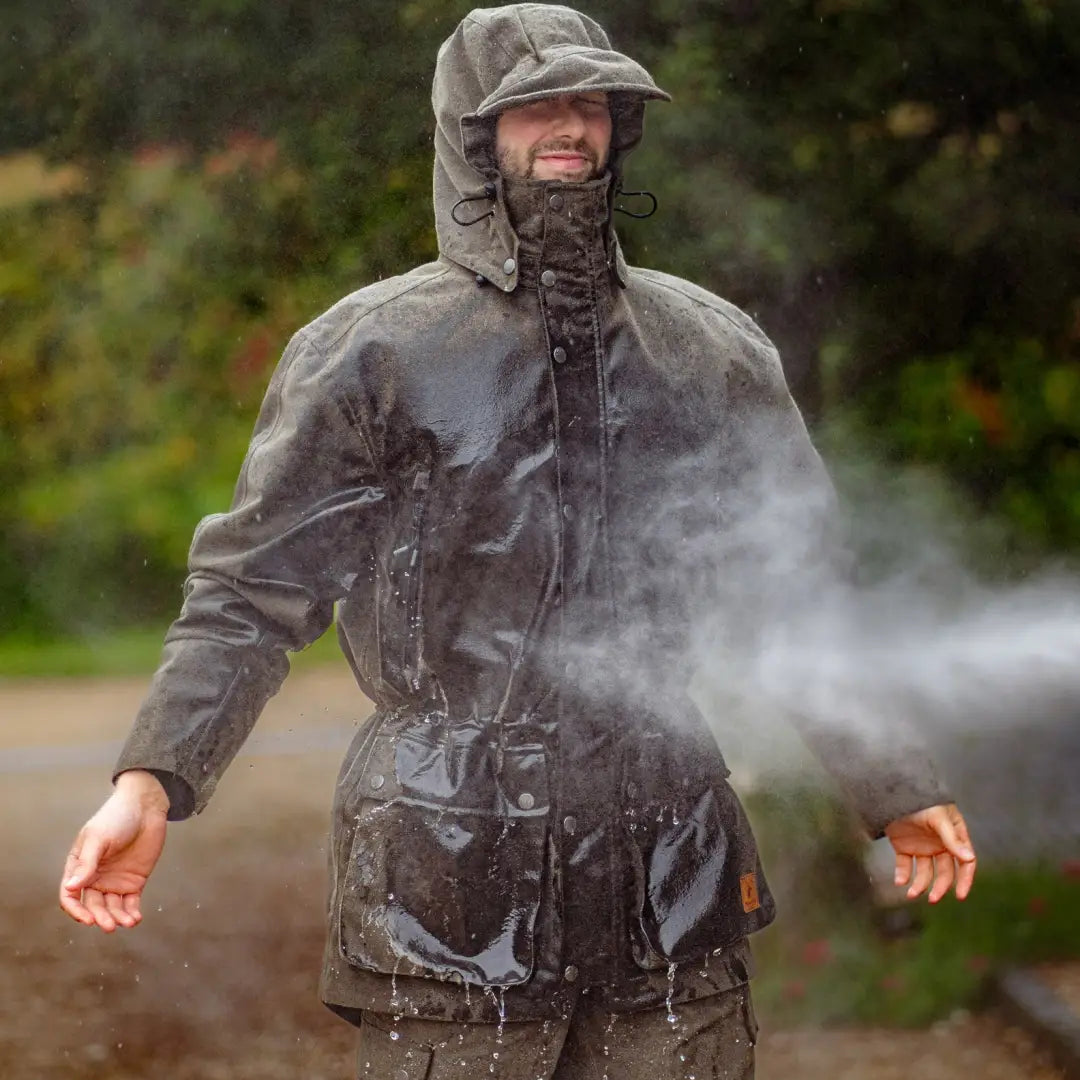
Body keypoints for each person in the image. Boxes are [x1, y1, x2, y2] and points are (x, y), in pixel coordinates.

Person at [59, 5, 977, 1077]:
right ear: (470, 134)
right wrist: (152, 779)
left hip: (669, 872)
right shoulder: (374, 353)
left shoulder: (712, 349)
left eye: (588, 102)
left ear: (619, 128)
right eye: (533, 104)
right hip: (448, 879)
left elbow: (799, 593)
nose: (567, 125)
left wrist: (895, 780)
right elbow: (251, 594)